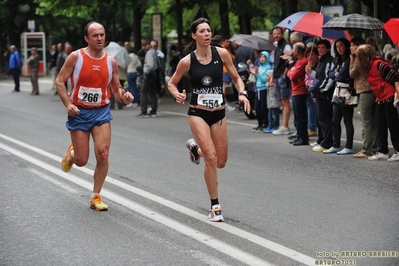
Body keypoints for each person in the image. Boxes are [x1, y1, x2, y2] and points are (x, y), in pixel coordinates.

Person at [167, 18, 250, 222]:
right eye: (202, 31)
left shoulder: (221, 53)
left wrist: (242, 93)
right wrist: (177, 94)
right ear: (194, 35)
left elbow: (236, 77)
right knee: (211, 158)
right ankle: (215, 206)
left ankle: (195, 149)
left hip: (219, 113)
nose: (207, 34)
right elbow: (171, 83)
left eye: (209, 30)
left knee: (220, 161)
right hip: (198, 113)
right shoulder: (187, 61)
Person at [55, 21, 134, 211]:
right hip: (79, 112)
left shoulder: (110, 62)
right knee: (82, 161)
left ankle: (95, 196)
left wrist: (125, 97)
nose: (99, 38)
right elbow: (59, 81)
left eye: (102, 34)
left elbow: (116, 89)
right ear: (86, 39)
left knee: (103, 154)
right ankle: (72, 154)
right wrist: (68, 104)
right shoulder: (76, 57)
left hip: (101, 111)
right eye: (95, 35)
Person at [355, 44, 399, 162]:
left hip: (388, 95)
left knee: (392, 124)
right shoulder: (369, 66)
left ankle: (398, 150)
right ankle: (383, 150)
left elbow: (394, 78)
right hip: (380, 97)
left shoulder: (379, 64)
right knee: (380, 124)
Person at [324, 38, 355, 155]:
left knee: (347, 120)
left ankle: (349, 146)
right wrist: (336, 73)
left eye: (341, 46)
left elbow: (341, 75)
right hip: (338, 91)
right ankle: (336, 145)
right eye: (337, 47)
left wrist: (337, 73)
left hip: (347, 92)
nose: (339, 49)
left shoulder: (349, 59)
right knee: (335, 120)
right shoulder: (338, 59)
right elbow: (330, 73)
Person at [349, 37, 379, 158]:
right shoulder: (371, 57)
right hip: (373, 89)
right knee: (373, 121)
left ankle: (366, 149)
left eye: (352, 46)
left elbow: (352, 74)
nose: (351, 48)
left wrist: (352, 59)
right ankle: (374, 147)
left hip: (365, 90)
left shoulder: (359, 58)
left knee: (365, 120)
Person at [310, 39, 335, 152]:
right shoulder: (321, 61)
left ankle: (327, 141)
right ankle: (321, 139)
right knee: (320, 119)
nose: (320, 49)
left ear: (328, 49)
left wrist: (322, 90)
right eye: (319, 47)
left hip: (325, 95)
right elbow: (318, 76)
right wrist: (310, 71)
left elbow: (329, 78)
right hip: (319, 94)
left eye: (323, 47)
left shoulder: (329, 61)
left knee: (325, 119)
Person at [271, 27, 292, 135]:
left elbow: (289, 59)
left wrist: (284, 74)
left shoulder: (286, 45)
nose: (276, 35)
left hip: (282, 77)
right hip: (278, 76)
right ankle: (284, 125)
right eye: (274, 34)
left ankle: (285, 126)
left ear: (282, 34)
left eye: (278, 34)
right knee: (282, 101)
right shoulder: (277, 45)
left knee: (285, 101)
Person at [287, 42, 309, 146]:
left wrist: (292, 71)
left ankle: (303, 137)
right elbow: (289, 73)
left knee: (301, 115)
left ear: (296, 51)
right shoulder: (298, 61)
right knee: (297, 115)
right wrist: (292, 71)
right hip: (295, 90)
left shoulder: (303, 61)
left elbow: (292, 76)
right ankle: (299, 135)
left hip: (300, 91)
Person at [137, 39, 159, 118]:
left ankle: (144, 111)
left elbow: (150, 64)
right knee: (152, 92)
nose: (144, 47)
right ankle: (153, 110)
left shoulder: (149, 53)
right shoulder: (153, 52)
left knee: (143, 92)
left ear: (149, 45)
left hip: (149, 74)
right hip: (154, 74)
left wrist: (146, 73)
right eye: (143, 45)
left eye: (145, 45)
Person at [250, 51, 271, 132]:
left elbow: (265, 79)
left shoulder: (268, 67)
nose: (262, 59)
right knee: (257, 107)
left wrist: (258, 74)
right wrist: (255, 74)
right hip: (258, 88)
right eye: (261, 57)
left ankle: (265, 123)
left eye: (264, 57)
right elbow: (257, 79)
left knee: (263, 107)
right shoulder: (259, 67)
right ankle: (259, 123)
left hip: (264, 89)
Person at [304, 45, 321, 146]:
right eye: (308, 55)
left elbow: (319, 77)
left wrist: (311, 73)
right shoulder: (309, 65)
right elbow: (306, 79)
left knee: (319, 116)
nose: (310, 57)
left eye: (313, 54)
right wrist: (308, 82)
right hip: (311, 91)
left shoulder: (319, 64)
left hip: (318, 93)